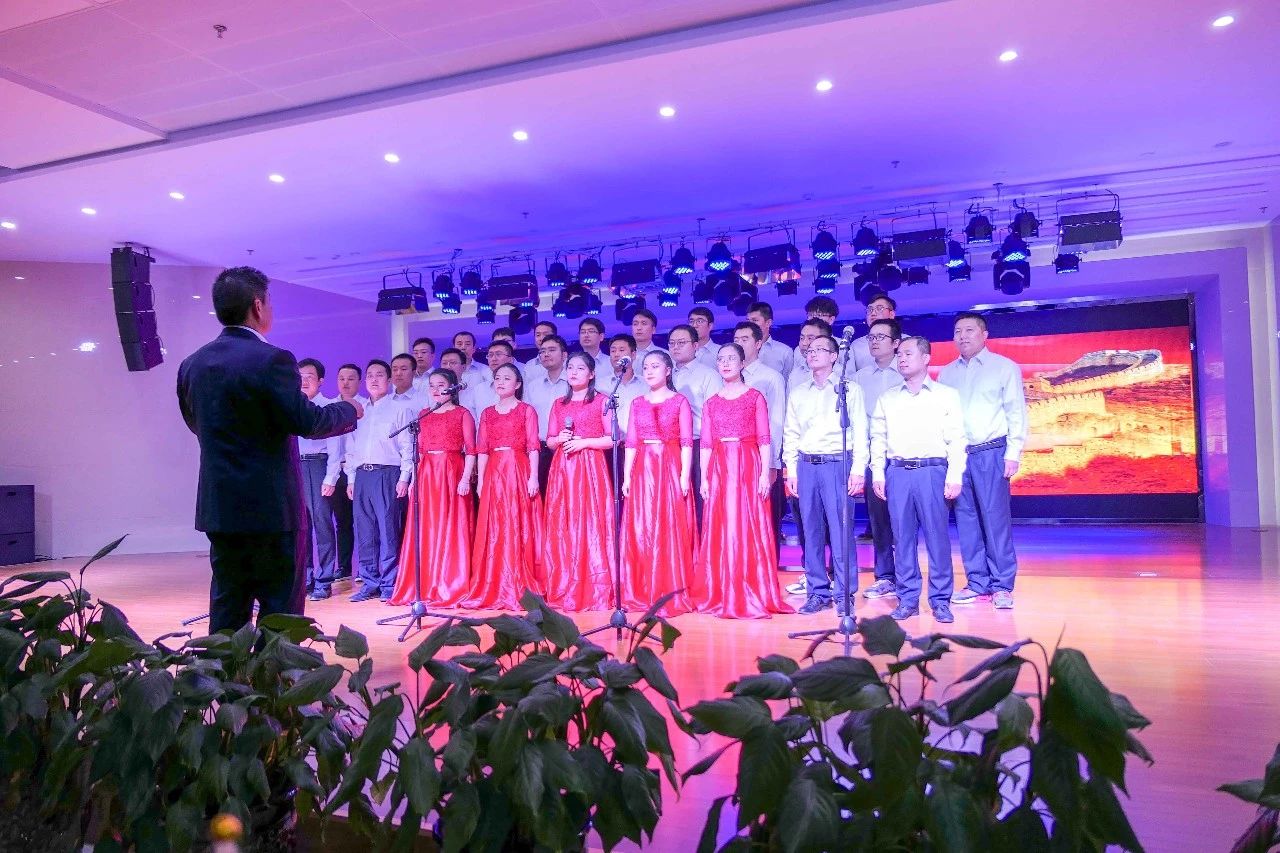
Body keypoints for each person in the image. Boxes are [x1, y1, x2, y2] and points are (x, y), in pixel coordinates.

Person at [177, 267, 359, 632]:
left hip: (221, 507)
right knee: (281, 614)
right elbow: (307, 421)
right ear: (258, 306)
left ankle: (227, 671)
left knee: (227, 611)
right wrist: (349, 409)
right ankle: (273, 671)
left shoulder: (192, 364)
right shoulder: (272, 359)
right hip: (271, 510)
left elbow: (195, 423)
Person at [870, 336, 966, 624]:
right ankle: (908, 599)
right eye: (899, 354)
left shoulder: (946, 395)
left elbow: (956, 437)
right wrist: (878, 472)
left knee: (937, 538)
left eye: (908, 354)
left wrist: (954, 474)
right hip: (898, 472)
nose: (901, 359)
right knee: (902, 539)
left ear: (926, 358)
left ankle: (940, 601)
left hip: (932, 471)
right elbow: (878, 438)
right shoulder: (888, 397)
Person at [693, 344, 792, 619]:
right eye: (721, 359)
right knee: (721, 524)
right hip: (719, 466)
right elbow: (706, 444)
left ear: (742, 363)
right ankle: (721, 589)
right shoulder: (711, 402)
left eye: (731, 359)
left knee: (746, 522)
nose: (725, 364)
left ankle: (749, 587)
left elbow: (764, 438)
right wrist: (704, 478)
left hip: (747, 463)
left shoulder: (754, 397)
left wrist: (764, 474)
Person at [938, 312, 1028, 610]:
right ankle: (977, 582)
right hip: (959, 455)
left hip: (991, 451)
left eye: (969, 330)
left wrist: (1013, 453)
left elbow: (1016, 412)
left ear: (984, 334)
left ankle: (1002, 585)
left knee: (995, 519)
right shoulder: (947, 373)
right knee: (966, 520)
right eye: (957, 331)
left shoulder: (1003, 367)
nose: (962, 336)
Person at [782, 334, 867, 617]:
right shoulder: (799, 392)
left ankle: (844, 594)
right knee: (811, 531)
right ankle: (817, 591)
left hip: (837, 463)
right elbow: (791, 433)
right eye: (809, 350)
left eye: (820, 349)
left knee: (841, 531)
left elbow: (860, 431)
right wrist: (791, 469)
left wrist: (858, 469)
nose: (813, 353)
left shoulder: (849, 389)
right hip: (807, 465)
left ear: (834, 356)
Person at [389, 368, 475, 607]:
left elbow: (471, 450)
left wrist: (465, 479)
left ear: (452, 388)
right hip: (427, 474)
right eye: (432, 385)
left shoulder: (462, 414)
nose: (436, 390)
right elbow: (418, 452)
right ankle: (425, 583)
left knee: (450, 526)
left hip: (451, 471)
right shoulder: (423, 415)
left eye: (441, 385)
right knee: (427, 527)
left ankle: (449, 583)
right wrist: (413, 481)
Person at [621, 351, 696, 616]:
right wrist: (627, 475)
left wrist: (684, 475)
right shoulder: (637, 403)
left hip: (669, 466)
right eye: (646, 367)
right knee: (642, 527)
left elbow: (686, 442)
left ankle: (667, 588)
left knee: (667, 526)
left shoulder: (679, 401)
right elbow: (631, 442)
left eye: (655, 366)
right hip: (643, 468)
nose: (650, 371)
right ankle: (642, 589)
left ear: (668, 370)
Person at [463, 363, 544, 610]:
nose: (500, 382)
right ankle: (495, 580)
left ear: (517, 384)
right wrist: (481, 480)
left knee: (517, 522)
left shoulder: (526, 410)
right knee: (496, 525)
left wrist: (533, 477)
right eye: (497, 378)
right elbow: (482, 450)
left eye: (506, 378)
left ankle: (519, 581)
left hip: (518, 469)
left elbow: (533, 446)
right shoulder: (487, 413)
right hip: (495, 472)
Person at [542, 353, 616, 611]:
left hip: (590, 467)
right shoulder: (558, 404)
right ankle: (564, 583)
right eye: (570, 367)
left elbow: (612, 438)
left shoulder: (602, 401)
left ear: (591, 373)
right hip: (563, 468)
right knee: (564, 523)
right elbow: (549, 441)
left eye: (580, 368)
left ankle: (592, 585)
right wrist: (560, 439)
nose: (573, 372)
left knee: (590, 522)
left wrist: (584, 442)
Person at [344, 359, 414, 602]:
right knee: (365, 531)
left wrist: (404, 477)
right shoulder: (359, 410)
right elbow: (351, 447)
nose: (374, 379)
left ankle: (389, 583)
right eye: (370, 375)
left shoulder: (399, 409)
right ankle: (369, 582)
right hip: (362, 475)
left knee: (388, 530)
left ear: (389, 380)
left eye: (380, 375)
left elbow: (407, 447)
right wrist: (351, 478)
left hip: (387, 473)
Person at [854, 319, 905, 602]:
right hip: (874, 456)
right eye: (871, 337)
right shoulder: (860, 378)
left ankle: (907, 577)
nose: (874, 342)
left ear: (896, 343)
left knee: (904, 519)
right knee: (879, 520)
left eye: (881, 337)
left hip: (902, 454)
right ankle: (885, 576)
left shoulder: (905, 372)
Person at [734, 321, 787, 553]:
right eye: (736, 340)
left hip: (760, 454)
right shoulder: (727, 375)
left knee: (765, 512)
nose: (739, 343)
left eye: (745, 339)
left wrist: (773, 462)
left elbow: (776, 421)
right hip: (732, 456)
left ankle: (768, 561)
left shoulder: (771, 377)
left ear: (758, 343)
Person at [296, 358, 344, 601]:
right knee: (299, 527)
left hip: (318, 465)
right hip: (296, 466)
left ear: (321, 381)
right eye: (300, 377)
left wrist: (330, 477)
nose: (304, 381)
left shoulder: (328, 407)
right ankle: (305, 577)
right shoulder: (294, 406)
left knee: (322, 524)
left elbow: (336, 448)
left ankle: (324, 580)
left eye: (310, 377)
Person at [666, 323, 722, 529]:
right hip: (671, 446)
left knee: (698, 498)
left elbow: (715, 417)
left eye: (681, 343)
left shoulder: (708, 375)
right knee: (672, 499)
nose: (676, 347)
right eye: (672, 343)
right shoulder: (665, 373)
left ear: (696, 345)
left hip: (698, 445)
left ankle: (699, 542)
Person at [331, 363, 367, 584]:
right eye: (341, 378)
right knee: (342, 521)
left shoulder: (366, 407)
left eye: (351, 378)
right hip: (337, 471)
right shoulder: (330, 407)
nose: (345, 383)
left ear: (359, 382)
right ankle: (344, 567)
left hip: (359, 471)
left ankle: (365, 567)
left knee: (363, 520)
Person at [524, 334, 571, 497]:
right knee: (542, 495)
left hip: (567, 448)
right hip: (540, 450)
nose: (546, 354)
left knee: (568, 495)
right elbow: (526, 421)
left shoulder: (573, 383)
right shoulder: (533, 386)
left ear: (564, 355)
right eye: (542, 351)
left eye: (551, 350)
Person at [598, 334, 647, 431]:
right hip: (611, 438)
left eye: (621, 350)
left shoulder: (646, 385)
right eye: (613, 351)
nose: (616, 354)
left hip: (640, 437)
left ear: (633, 355)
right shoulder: (600, 385)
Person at [850, 293, 897, 372]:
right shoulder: (856, 345)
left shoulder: (906, 341)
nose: (873, 313)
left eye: (879, 309)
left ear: (891, 314)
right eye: (870, 310)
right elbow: (850, 375)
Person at [747, 301, 794, 378]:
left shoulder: (784, 352)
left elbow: (788, 381)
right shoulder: (740, 349)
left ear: (768, 323)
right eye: (748, 320)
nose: (749, 324)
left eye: (754, 320)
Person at [792, 295, 838, 369]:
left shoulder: (842, 346)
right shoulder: (799, 349)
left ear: (831, 319)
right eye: (810, 315)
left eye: (819, 315)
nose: (814, 319)